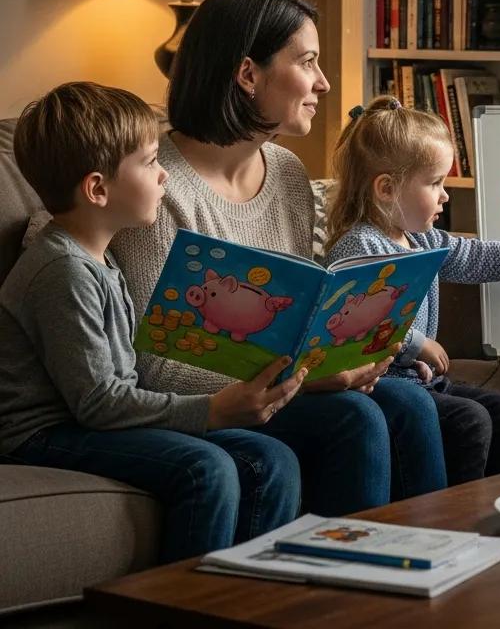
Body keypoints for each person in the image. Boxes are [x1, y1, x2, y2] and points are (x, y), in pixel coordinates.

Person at [111, 0, 447, 512]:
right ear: (248, 75)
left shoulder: (286, 172)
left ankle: (431, 570)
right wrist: (311, 379)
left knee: (410, 401)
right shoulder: (156, 190)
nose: (324, 82)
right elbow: (155, 363)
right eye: (308, 62)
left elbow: (299, 313)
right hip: (208, 401)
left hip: (286, 381)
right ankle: (353, 582)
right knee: (355, 416)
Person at [0, 83, 307, 563]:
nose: (164, 175)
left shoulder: (100, 258)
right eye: (148, 162)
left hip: (92, 422)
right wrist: (212, 410)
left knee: (272, 458)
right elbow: (99, 403)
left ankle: (250, 599)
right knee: (206, 468)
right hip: (43, 435)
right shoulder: (62, 271)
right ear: (98, 189)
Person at [324, 96, 500, 485]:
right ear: (386, 188)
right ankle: (456, 518)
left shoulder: (421, 239)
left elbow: (473, 256)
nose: (445, 195)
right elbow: (358, 320)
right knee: (469, 422)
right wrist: (416, 344)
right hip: (383, 384)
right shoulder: (360, 246)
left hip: (421, 380)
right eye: (434, 183)